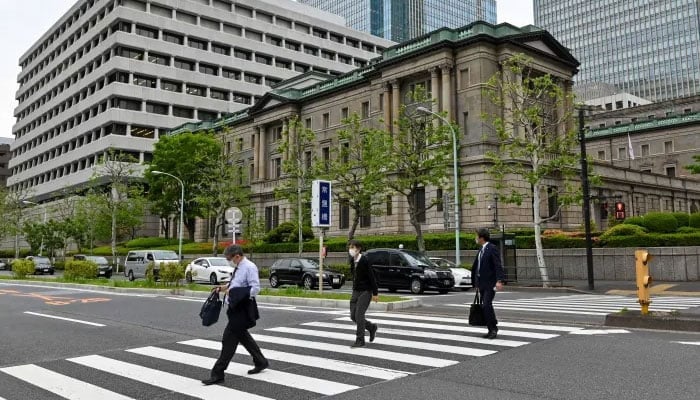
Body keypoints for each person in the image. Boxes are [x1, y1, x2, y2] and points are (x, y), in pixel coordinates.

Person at [202, 245, 269, 385]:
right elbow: (235, 284)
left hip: (242, 309)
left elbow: (255, 288)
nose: (228, 261)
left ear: (237, 256)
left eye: (229, 258)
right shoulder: (239, 266)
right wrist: (222, 288)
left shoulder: (249, 267)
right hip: (234, 308)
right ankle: (261, 361)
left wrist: (233, 293)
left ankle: (218, 373)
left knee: (228, 341)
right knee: (244, 337)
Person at [471, 228, 505, 339]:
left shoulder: (492, 248)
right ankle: (491, 328)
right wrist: (475, 283)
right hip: (481, 283)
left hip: (490, 283)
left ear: (481, 237)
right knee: (485, 306)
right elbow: (477, 267)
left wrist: (499, 280)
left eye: (477, 236)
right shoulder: (481, 250)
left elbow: (497, 265)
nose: (475, 238)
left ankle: (493, 328)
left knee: (486, 305)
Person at [348, 239, 379, 348]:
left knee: (359, 314)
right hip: (356, 291)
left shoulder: (365, 260)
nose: (351, 249)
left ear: (359, 249)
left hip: (366, 291)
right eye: (350, 247)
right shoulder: (352, 260)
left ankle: (360, 340)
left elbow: (372, 277)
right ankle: (371, 327)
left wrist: (375, 293)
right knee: (353, 316)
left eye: (353, 247)